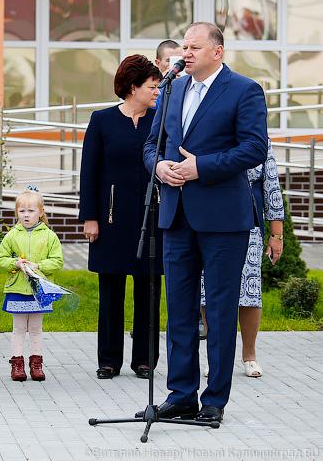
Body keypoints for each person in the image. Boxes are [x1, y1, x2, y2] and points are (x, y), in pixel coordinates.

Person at [142, 21, 268, 424]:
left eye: (194, 47)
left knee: (219, 310)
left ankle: (214, 401)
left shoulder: (244, 90)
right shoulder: (173, 89)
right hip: (176, 214)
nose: (186, 54)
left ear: (217, 51)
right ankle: (181, 395)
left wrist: (203, 167)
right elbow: (152, 144)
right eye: (184, 47)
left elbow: (255, 148)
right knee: (179, 310)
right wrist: (159, 167)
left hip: (223, 219)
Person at [79, 55, 163, 380]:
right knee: (111, 292)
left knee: (149, 291)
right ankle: (109, 360)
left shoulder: (160, 120)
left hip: (151, 218)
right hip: (110, 219)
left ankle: (145, 359)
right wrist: (90, 217)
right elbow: (89, 171)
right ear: (132, 87)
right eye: (152, 86)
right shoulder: (102, 120)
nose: (156, 92)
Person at [200, 139, 284, 378]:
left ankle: (249, 356)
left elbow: (271, 187)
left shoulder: (259, 138)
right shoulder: (209, 131)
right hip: (210, 220)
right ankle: (215, 357)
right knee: (210, 290)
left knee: (250, 291)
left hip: (248, 222)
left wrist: (276, 235)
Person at [0, 190, 64, 382]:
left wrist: (39, 266)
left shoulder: (49, 236)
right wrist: (15, 263)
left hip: (39, 290)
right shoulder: (12, 236)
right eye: (22, 211)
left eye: (31, 211)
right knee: (18, 328)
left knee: (35, 328)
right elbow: (1, 259)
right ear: (16, 212)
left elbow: (57, 261)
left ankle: (36, 364)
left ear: (41, 212)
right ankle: (17, 364)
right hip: (17, 288)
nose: (26, 215)